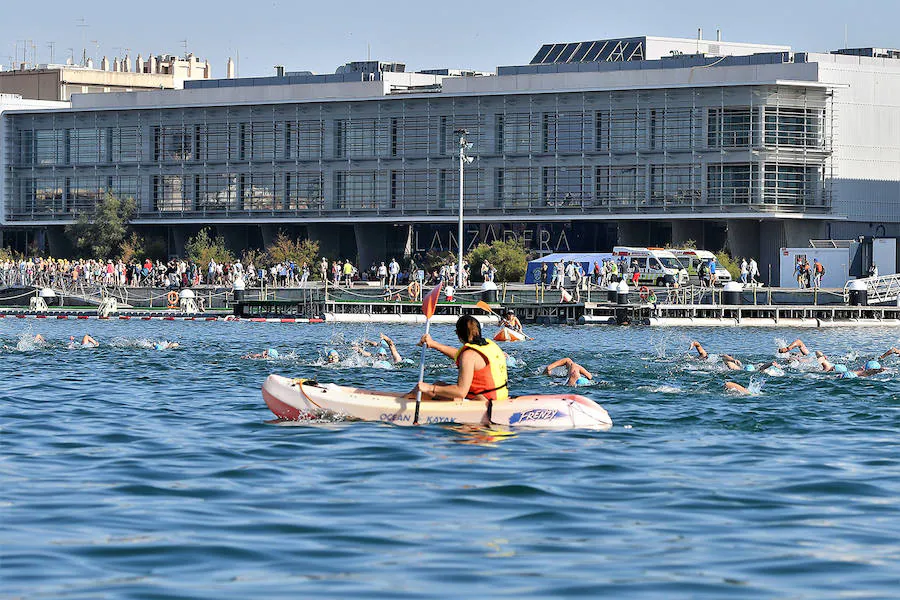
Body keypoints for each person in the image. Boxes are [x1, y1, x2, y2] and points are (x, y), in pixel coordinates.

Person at [408, 315, 508, 402]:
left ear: (458, 334)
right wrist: (434, 344)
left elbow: (461, 392)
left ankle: (402, 402)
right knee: (439, 385)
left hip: (483, 402)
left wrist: (429, 388)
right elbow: (460, 355)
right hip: (499, 398)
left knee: (427, 390)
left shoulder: (468, 356)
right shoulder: (489, 345)